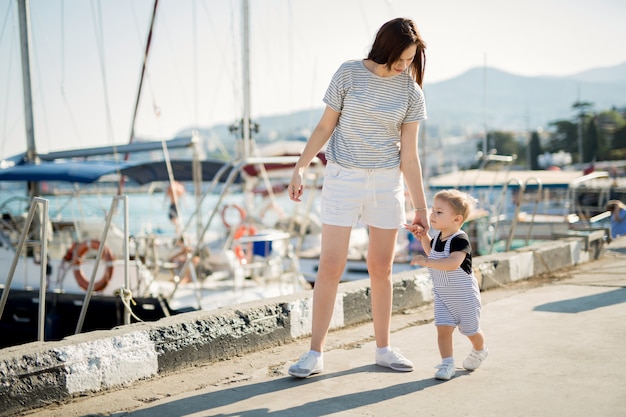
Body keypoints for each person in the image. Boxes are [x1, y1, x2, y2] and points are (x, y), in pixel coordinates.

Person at [286, 17, 429, 378]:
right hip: (342, 177)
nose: (403, 65)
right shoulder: (349, 73)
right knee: (330, 266)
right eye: (401, 57)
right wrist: (301, 167)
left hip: (385, 183)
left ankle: (383, 348)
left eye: (410, 60)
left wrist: (421, 208)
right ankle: (315, 353)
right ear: (385, 47)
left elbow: (409, 157)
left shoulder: (411, 93)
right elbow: (325, 125)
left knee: (381, 268)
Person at [406, 189, 488, 380]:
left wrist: (426, 262)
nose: (432, 215)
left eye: (439, 212)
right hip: (444, 296)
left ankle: (480, 350)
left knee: (471, 330)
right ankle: (447, 363)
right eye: (433, 210)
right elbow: (432, 251)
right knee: (442, 330)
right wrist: (422, 236)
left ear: (457, 219)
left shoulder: (460, 239)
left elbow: (452, 264)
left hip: (464, 297)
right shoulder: (438, 238)